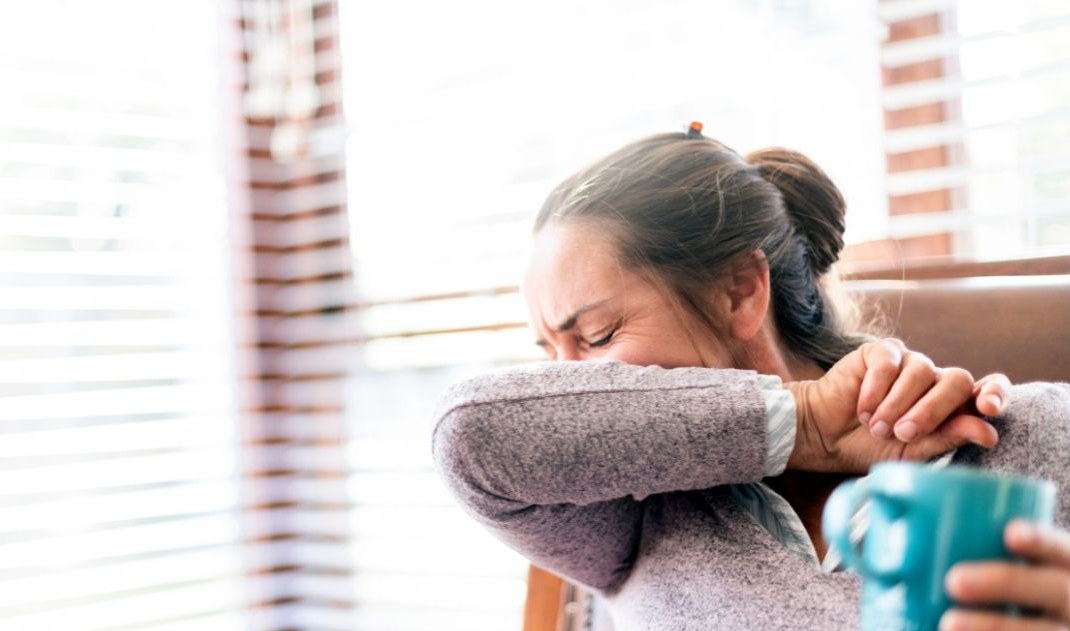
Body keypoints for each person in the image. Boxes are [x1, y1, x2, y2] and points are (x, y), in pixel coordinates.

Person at [431, 128, 1070, 630]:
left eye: (596, 337)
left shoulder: (1033, 438)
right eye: (551, 355)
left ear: (739, 291)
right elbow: (470, 434)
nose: (569, 388)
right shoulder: (619, 513)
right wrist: (806, 421)